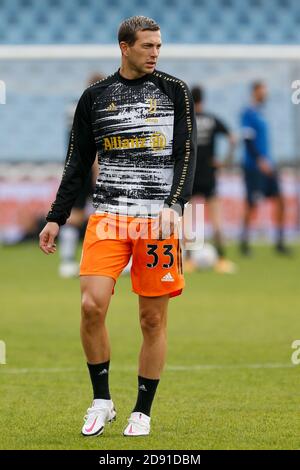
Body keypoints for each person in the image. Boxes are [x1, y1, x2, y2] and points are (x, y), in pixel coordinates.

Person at [39, 16, 196, 438]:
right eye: (147, 46)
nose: (155, 53)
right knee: (91, 307)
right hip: (108, 217)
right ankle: (102, 401)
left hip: (157, 223)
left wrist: (174, 204)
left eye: (159, 46)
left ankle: (142, 411)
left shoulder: (175, 90)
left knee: (151, 320)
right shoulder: (94, 97)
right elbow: (76, 163)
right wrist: (56, 215)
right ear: (124, 47)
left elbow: (186, 152)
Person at [184, 85, 236, 273]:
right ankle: (222, 260)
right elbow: (233, 138)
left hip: (190, 175)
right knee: (216, 219)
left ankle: (189, 262)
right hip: (209, 175)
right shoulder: (213, 120)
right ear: (203, 99)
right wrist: (225, 161)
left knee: (189, 220)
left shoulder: (186, 120)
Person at [58, 73, 104, 278]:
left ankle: (67, 261)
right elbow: (93, 143)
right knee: (104, 215)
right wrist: (97, 171)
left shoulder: (73, 108)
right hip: (92, 167)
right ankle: (100, 260)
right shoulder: (98, 109)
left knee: (74, 213)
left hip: (74, 167)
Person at [240, 81, 290, 255]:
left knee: (281, 201)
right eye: (262, 91)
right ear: (255, 92)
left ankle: (280, 242)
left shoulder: (263, 113)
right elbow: (247, 140)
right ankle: (244, 244)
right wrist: (260, 160)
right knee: (252, 204)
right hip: (254, 166)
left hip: (269, 164)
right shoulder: (248, 113)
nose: (265, 94)